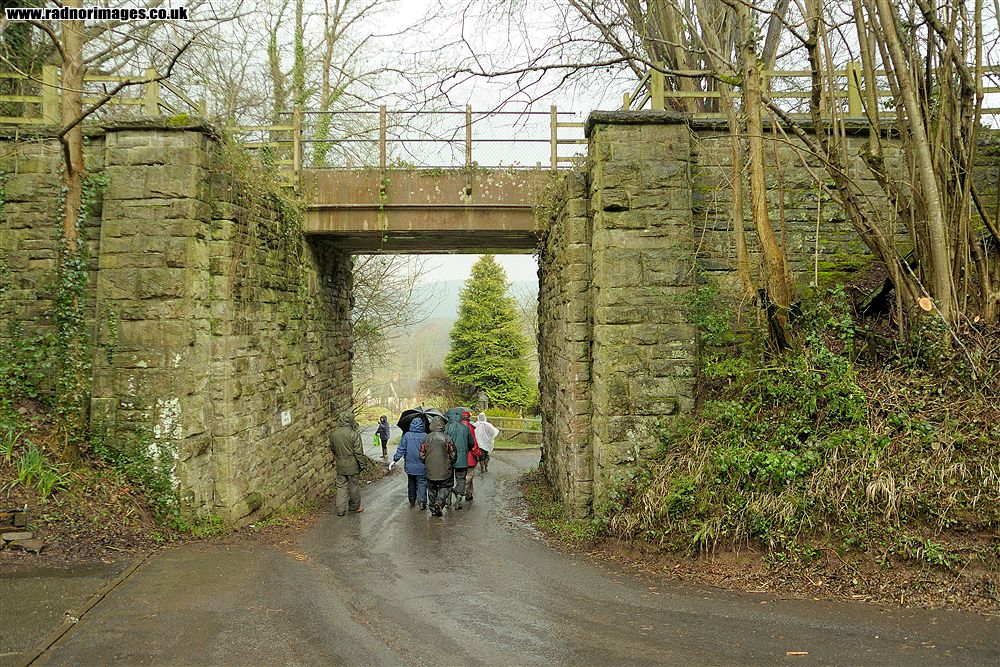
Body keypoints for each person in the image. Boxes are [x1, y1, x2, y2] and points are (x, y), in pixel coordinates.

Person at [329, 410, 365, 516]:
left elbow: (333, 448)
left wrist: (339, 457)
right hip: (352, 464)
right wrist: (362, 465)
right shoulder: (354, 434)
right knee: (354, 486)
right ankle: (354, 507)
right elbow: (358, 452)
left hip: (340, 464)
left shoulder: (333, 434)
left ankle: (340, 510)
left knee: (341, 486)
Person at [419, 415, 456, 517]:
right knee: (446, 486)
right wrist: (450, 462)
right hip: (445, 469)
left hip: (430, 470)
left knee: (431, 489)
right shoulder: (447, 438)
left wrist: (426, 462)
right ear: (442, 425)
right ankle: (439, 502)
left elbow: (421, 455)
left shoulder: (426, 438)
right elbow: (453, 454)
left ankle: (432, 509)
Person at [390, 417, 427, 509]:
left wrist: (395, 460)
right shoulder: (426, 436)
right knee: (422, 483)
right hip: (423, 465)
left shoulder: (407, 436)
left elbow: (401, 449)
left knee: (411, 483)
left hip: (410, 465)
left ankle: (412, 500)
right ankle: (422, 502)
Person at [445, 407, 474, 508]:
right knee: (461, 479)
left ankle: (448, 500)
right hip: (462, 459)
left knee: (448, 480)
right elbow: (471, 443)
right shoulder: (465, 428)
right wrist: (466, 450)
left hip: (448, 459)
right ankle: (458, 500)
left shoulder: (446, 428)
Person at [461, 411, 482, 501]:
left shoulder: (455, 427)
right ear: (469, 418)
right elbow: (473, 444)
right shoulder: (470, 428)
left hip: (458, 457)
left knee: (461, 475)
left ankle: (469, 493)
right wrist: (478, 453)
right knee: (469, 475)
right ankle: (461, 490)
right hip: (469, 457)